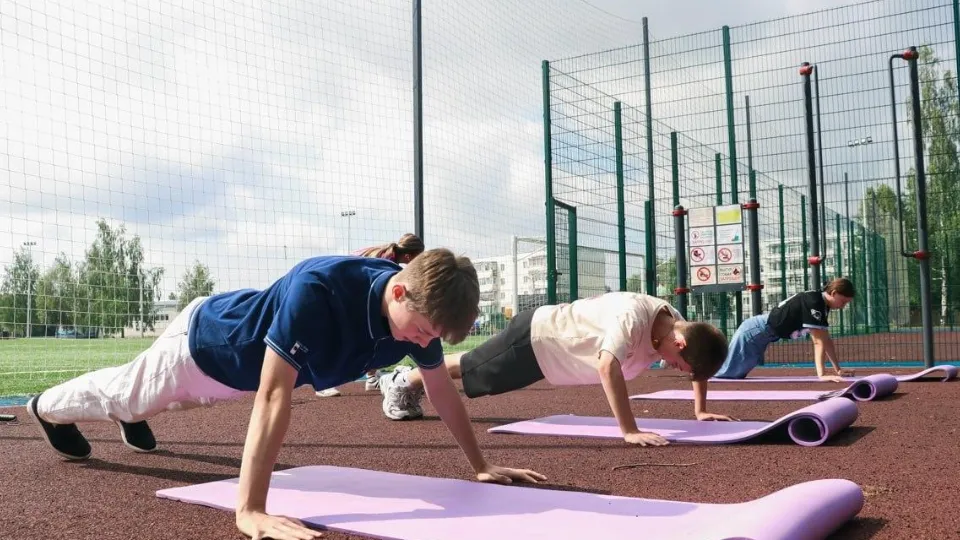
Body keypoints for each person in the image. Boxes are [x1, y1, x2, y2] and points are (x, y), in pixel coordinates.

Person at [26, 248, 545, 540]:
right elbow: (274, 398)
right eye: (424, 331)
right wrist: (249, 508)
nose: (426, 344)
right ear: (399, 291)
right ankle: (45, 408)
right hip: (205, 348)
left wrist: (479, 465)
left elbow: (443, 392)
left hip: (237, 375)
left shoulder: (415, 315)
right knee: (126, 395)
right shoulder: (318, 291)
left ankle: (134, 416)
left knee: (154, 403)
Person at [379, 291, 734, 447]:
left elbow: (696, 366)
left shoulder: (679, 326)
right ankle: (401, 379)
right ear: (680, 344)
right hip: (537, 338)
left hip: (550, 355)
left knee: (477, 372)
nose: (670, 366)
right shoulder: (634, 316)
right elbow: (606, 364)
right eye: (677, 363)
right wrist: (629, 430)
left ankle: (406, 378)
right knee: (475, 368)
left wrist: (700, 410)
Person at [315, 233, 426, 397]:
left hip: (341, 291)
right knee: (335, 338)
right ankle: (321, 383)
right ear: (409, 256)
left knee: (375, 332)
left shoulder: (387, 258)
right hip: (330, 292)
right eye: (419, 258)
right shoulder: (385, 263)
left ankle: (372, 378)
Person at [713, 277, 855, 381]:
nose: (843, 306)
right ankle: (696, 367)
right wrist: (822, 374)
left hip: (760, 333)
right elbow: (818, 342)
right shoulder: (815, 302)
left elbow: (826, 340)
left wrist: (838, 369)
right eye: (843, 301)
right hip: (754, 332)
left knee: (732, 374)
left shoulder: (821, 304)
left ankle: (699, 367)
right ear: (834, 293)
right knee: (725, 374)